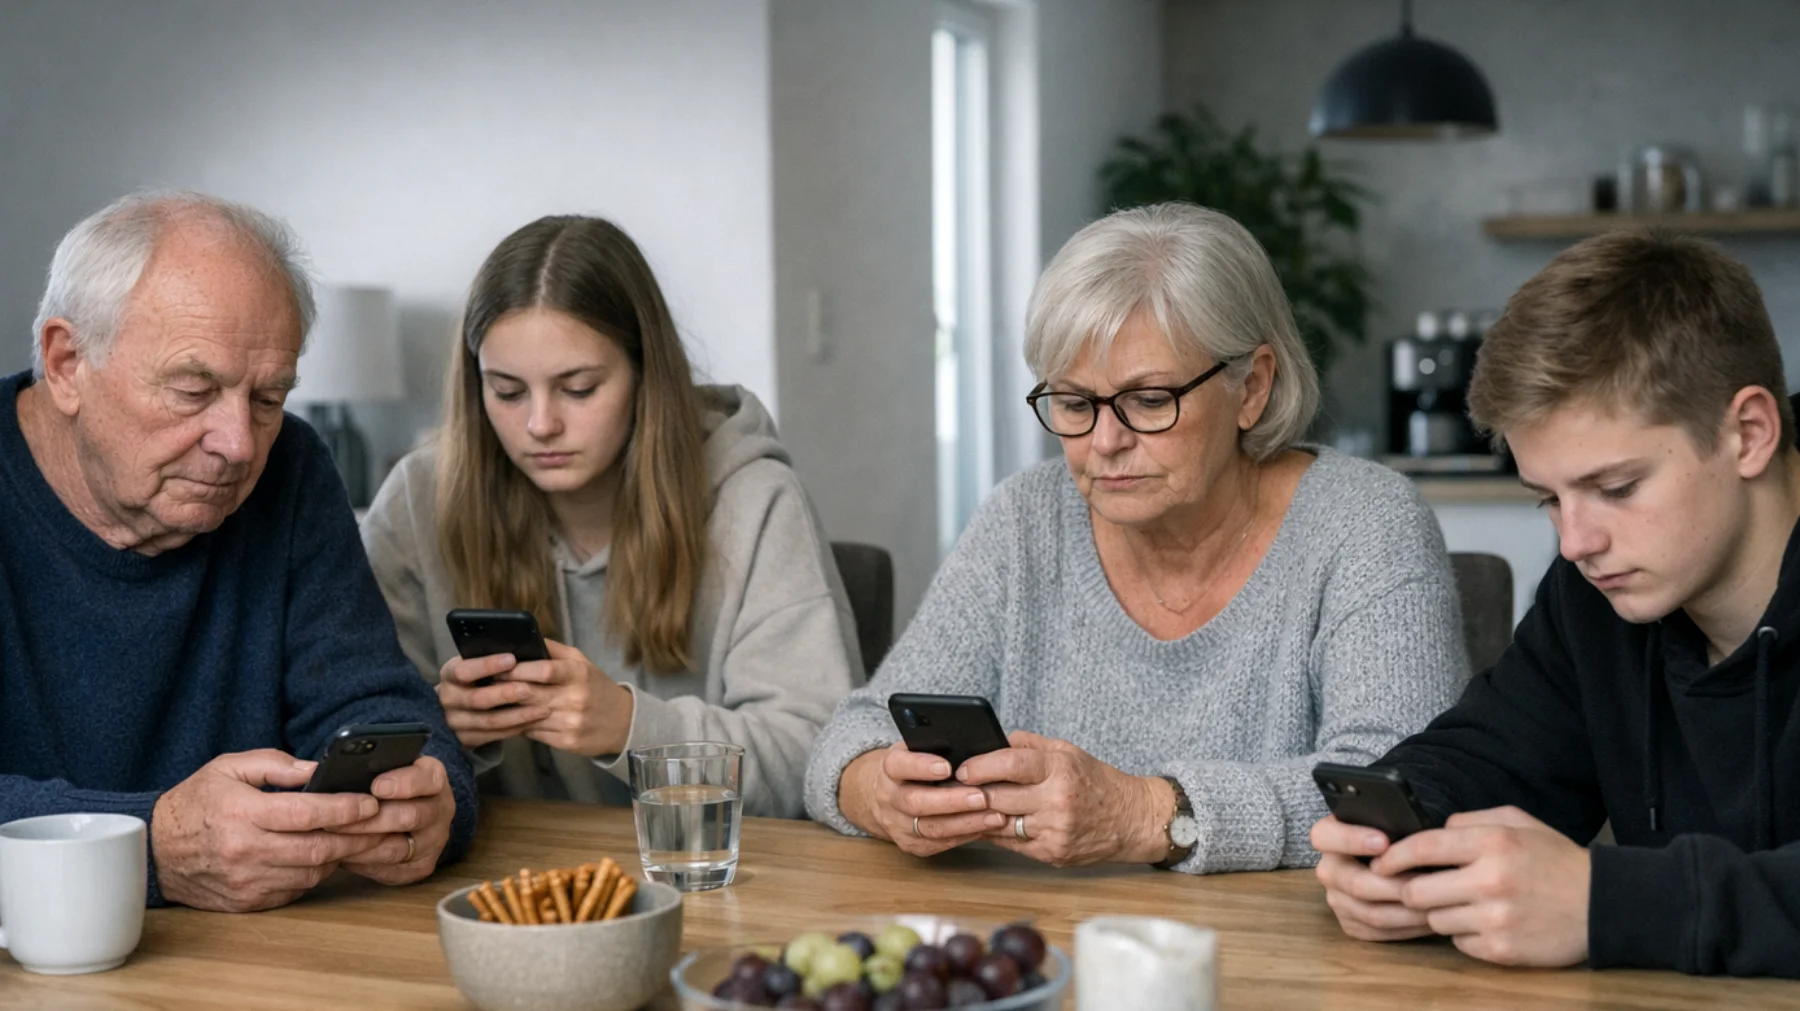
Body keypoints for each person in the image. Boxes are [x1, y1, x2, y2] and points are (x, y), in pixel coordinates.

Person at [803, 203, 1467, 872]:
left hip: (1287, 959)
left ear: (1253, 387)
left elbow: (1400, 788)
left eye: (1150, 400)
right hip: (1040, 950)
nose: (1104, 442)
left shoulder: (1366, 523)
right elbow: (852, 736)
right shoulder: (1024, 519)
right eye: (1073, 402)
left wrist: (1152, 815)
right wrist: (878, 792)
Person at [1311, 230, 1800, 978]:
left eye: (1616, 488)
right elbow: (1491, 751)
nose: (1574, 541)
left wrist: (1606, 903)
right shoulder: (1597, 592)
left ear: (1749, 433)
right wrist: (1396, 841)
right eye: (1548, 497)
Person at [0, 191, 475, 911]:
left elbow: (374, 707)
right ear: (67, 363)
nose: (240, 444)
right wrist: (150, 843)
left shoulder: (291, 469)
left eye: (268, 397)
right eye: (194, 389)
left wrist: (429, 799)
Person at [362, 215, 858, 818]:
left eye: (579, 388)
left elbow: (821, 760)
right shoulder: (418, 499)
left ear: (646, 375)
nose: (541, 424)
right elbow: (354, 732)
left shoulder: (755, 499)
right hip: (494, 885)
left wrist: (629, 727)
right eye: (508, 392)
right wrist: (440, 730)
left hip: (717, 885)